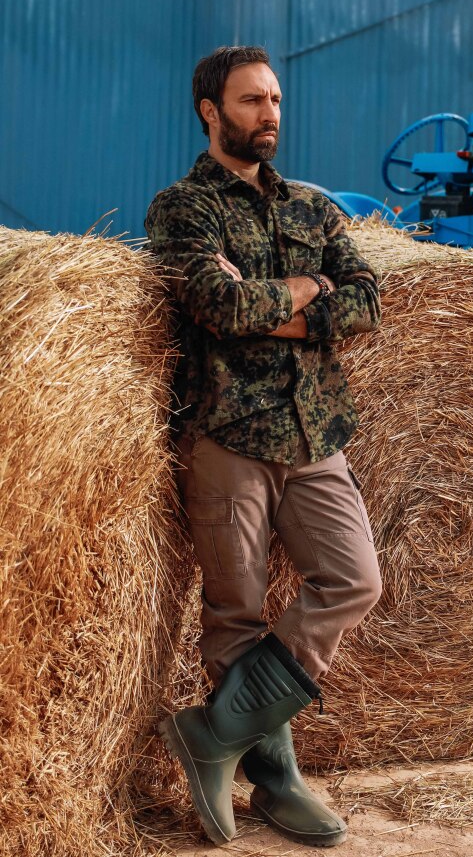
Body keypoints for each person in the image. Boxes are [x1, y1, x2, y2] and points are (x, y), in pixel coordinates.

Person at [145, 45, 382, 848]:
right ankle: (277, 782)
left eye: (276, 98)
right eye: (251, 101)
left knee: (354, 579)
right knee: (235, 613)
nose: (270, 113)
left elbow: (368, 302)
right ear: (212, 111)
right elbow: (216, 305)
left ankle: (213, 735)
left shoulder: (313, 208)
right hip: (226, 435)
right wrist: (313, 291)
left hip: (314, 433)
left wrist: (283, 298)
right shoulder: (183, 208)